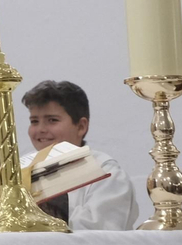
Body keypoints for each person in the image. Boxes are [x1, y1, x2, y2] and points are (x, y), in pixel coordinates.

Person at [22, 80, 139, 230]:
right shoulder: (22, 171)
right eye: (34, 121)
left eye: (52, 120)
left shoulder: (105, 172)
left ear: (81, 126)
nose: (41, 129)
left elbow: (98, 233)